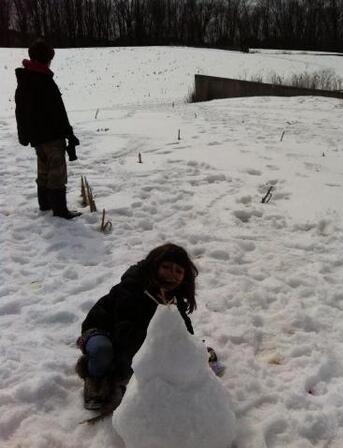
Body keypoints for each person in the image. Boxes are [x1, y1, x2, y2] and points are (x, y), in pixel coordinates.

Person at [75, 243, 198, 410]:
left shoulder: (173, 297)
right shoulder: (132, 287)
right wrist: (159, 346)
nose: (172, 274)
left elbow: (182, 328)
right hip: (104, 329)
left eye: (178, 271)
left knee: (140, 357)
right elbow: (124, 331)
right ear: (154, 265)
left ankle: (116, 368)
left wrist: (195, 349)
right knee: (103, 351)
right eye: (166, 267)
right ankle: (95, 379)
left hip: (133, 336)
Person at [15, 38, 81, 219]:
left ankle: (45, 204)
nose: (51, 61)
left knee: (43, 170)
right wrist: (68, 132)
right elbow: (58, 112)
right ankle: (60, 210)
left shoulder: (25, 80)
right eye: (49, 58)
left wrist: (24, 135)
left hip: (37, 137)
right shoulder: (44, 80)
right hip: (52, 136)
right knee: (57, 172)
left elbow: (19, 111)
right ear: (44, 59)